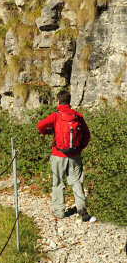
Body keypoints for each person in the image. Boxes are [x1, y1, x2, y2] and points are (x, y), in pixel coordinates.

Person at [37, 90, 94, 222]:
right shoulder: (77, 116)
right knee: (77, 182)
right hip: (75, 155)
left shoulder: (56, 116)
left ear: (58, 101)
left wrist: (46, 132)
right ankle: (82, 210)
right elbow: (87, 135)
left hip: (58, 154)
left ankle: (59, 212)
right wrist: (79, 148)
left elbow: (39, 125)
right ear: (69, 101)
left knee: (58, 183)